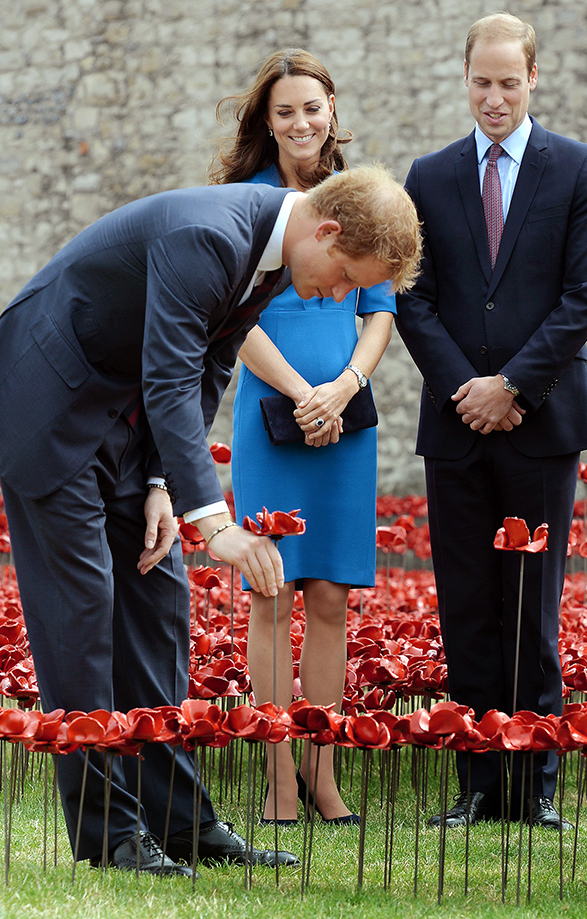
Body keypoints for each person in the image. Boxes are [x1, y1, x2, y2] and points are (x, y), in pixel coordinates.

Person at [0, 164, 420, 873]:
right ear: (326, 230)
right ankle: (109, 837)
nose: (343, 295)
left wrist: (164, 483)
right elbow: (168, 373)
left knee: (158, 601)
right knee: (84, 607)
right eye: (347, 274)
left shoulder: (274, 254)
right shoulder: (209, 235)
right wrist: (216, 524)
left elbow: (208, 369)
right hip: (47, 399)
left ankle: (182, 822)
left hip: (123, 417)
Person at [396, 12, 587, 830]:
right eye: (482, 82)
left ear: (534, 79)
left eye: (509, 82)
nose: (495, 97)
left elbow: (585, 297)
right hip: (456, 427)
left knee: (535, 600)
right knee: (467, 602)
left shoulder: (581, 171)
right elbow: (411, 298)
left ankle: (537, 782)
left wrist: (513, 387)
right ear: (465, 78)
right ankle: (479, 781)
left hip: (542, 422)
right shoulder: (429, 175)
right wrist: (466, 388)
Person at [211, 48, 396, 826]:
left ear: (331, 110)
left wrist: (346, 385)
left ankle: (324, 776)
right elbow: (229, 319)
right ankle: (278, 775)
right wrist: (299, 394)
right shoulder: (244, 201)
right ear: (267, 119)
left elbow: (380, 309)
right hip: (271, 420)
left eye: (312, 108)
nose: (300, 123)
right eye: (284, 110)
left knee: (328, 600)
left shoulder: (360, 200)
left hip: (345, 424)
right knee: (271, 594)